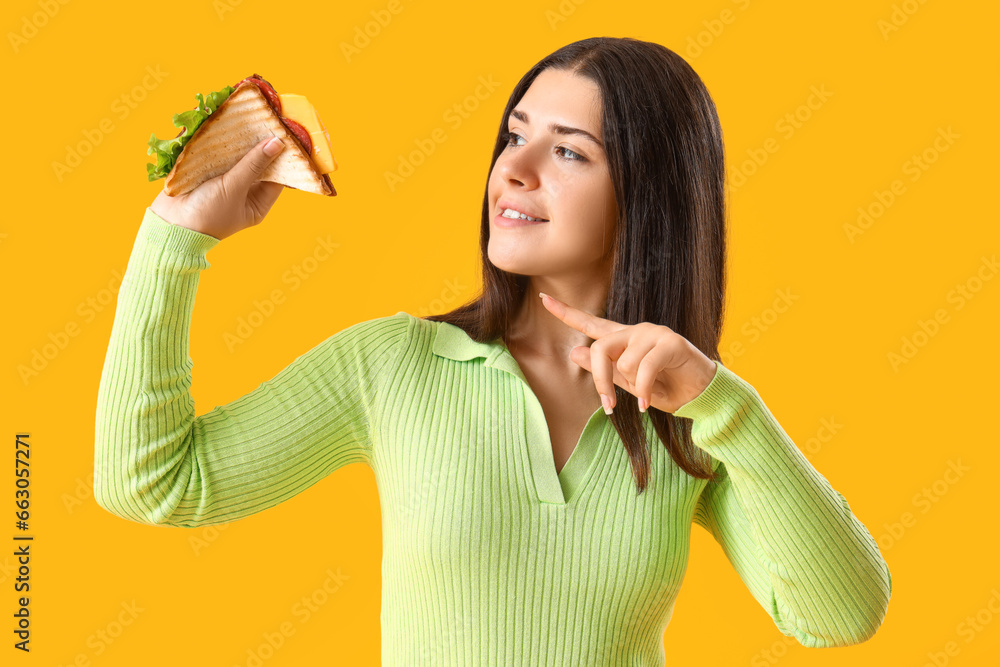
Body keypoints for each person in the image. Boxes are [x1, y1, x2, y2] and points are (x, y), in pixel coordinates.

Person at [95, 37, 891, 665]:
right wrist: (177, 236)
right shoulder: (394, 366)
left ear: (647, 195)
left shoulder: (684, 413)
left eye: (568, 151)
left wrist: (727, 404)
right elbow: (153, 482)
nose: (512, 170)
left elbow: (841, 614)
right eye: (515, 136)